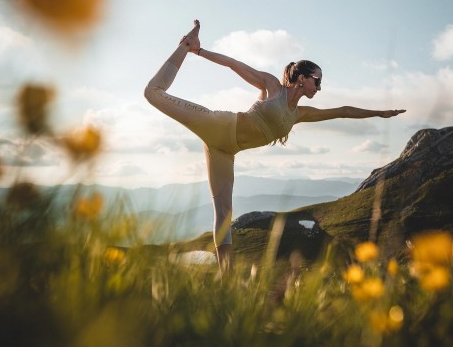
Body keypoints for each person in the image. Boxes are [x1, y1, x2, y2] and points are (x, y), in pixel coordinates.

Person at [144, 20, 405, 275]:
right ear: (302, 78)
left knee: (224, 212)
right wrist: (199, 51)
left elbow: (342, 111)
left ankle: (226, 278)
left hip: (225, 151)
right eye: (317, 80)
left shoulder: (299, 114)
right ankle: (185, 45)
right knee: (153, 93)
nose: (320, 87)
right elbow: (234, 65)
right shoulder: (272, 87)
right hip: (219, 125)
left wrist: (379, 113)